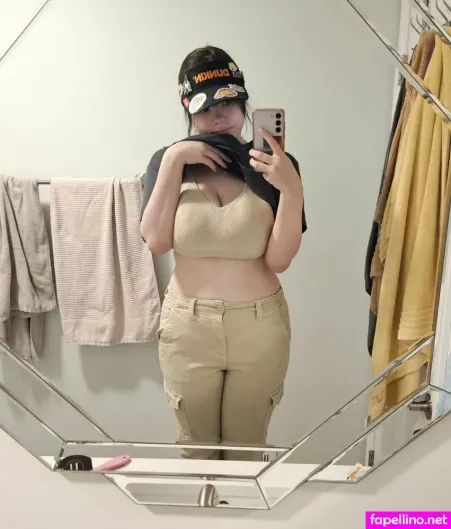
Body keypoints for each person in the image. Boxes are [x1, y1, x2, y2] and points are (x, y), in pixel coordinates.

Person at [140, 45, 307, 460]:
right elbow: (156, 240)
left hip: (259, 327)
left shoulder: (273, 164)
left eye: (230, 103)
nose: (221, 116)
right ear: (187, 108)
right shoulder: (167, 162)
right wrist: (175, 158)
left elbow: (279, 260)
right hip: (188, 327)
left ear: (244, 102)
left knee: (246, 452)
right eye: (208, 108)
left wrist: (291, 188)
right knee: (194, 450)